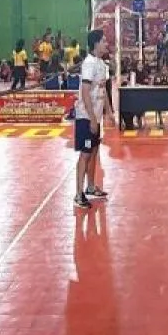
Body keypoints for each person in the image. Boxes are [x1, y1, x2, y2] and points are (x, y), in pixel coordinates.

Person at [73, 30, 113, 210]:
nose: (106, 43)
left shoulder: (102, 64)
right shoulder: (89, 64)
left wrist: (109, 112)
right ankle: (78, 194)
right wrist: (91, 119)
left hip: (96, 117)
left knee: (94, 151)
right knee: (85, 153)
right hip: (86, 117)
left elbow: (103, 91)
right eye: (103, 41)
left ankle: (90, 187)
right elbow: (85, 92)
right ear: (96, 43)